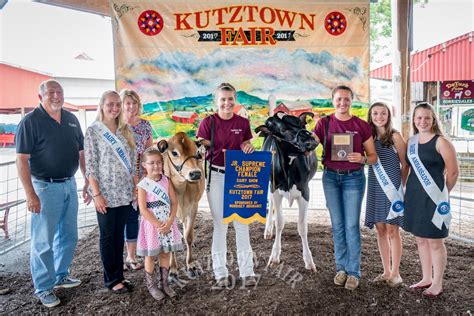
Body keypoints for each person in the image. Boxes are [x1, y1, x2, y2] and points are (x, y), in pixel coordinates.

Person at [15, 79, 88, 307]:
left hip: (69, 184)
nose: (56, 96)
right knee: (43, 241)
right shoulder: (30, 122)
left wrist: (87, 179)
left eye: (60, 92)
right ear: (40, 97)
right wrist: (30, 194)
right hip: (44, 188)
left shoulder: (71, 119)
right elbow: (21, 160)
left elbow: (81, 152)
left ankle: (61, 275)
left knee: (69, 236)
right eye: (51, 93)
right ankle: (43, 287)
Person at [312, 85, 377, 290]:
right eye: (339, 99)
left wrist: (363, 158)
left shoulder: (361, 125)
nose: (343, 103)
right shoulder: (324, 123)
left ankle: (354, 271)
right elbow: (309, 145)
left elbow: (373, 157)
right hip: (330, 178)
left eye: (346, 99)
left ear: (352, 101)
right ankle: (340, 268)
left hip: (354, 179)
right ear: (333, 101)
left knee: (351, 225)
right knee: (337, 225)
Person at [197, 82, 257, 289]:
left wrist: (247, 146)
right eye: (223, 99)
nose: (227, 103)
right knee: (220, 225)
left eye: (230, 98)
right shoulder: (208, 122)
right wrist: (205, 146)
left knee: (242, 223)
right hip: (217, 176)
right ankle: (220, 272)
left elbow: (245, 144)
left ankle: (247, 271)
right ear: (216, 101)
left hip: (239, 176)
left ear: (235, 99)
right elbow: (200, 145)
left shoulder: (243, 122)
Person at [404, 102, 458, 297]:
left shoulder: (441, 142)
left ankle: (437, 283)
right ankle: (426, 277)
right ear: (414, 120)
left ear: (433, 119)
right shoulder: (411, 142)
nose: (423, 121)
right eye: (419, 118)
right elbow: (408, 170)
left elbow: (453, 173)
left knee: (435, 241)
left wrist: (442, 196)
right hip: (414, 196)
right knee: (420, 239)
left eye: (427, 117)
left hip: (434, 199)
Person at [84, 90, 136, 293]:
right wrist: (96, 194)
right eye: (110, 104)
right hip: (104, 193)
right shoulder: (93, 131)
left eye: (117, 104)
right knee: (107, 236)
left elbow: (132, 163)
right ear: (102, 106)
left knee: (118, 236)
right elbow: (91, 166)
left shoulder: (125, 131)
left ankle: (119, 277)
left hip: (124, 191)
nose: (114, 108)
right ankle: (112, 280)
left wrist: (134, 188)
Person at [365, 102, 408, 287]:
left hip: (393, 189)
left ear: (388, 116)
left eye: (383, 113)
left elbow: (405, 165)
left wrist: (401, 187)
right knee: (381, 230)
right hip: (375, 186)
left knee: (393, 230)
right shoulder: (367, 138)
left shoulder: (395, 136)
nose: (379, 116)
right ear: (371, 115)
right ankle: (386, 271)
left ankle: (396, 273)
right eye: (375, 113)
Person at [136, 148, 183, 300]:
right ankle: (151, 285)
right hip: (152, 225)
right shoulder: (143, 185)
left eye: (159, 162)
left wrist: (169, 222)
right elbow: (143, 209)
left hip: (167, 222)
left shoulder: (166, 180)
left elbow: (174, 203)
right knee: (151, 255)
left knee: (165, 253)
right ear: (144, 165)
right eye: (151, 163)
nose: (156, 166)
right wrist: (158, 224)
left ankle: (165, 284)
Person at [120, 89, 153, 271]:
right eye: (127, 103)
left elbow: (149, 150)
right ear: (122, 105)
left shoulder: (145, 125)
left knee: (143, 215)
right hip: (121, 178)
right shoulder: (116, 126)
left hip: (142, 176)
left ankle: (146, 251)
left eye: (134, 103)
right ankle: (130, 256)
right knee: (127, 217)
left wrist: (150, 176)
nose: (131, 106)